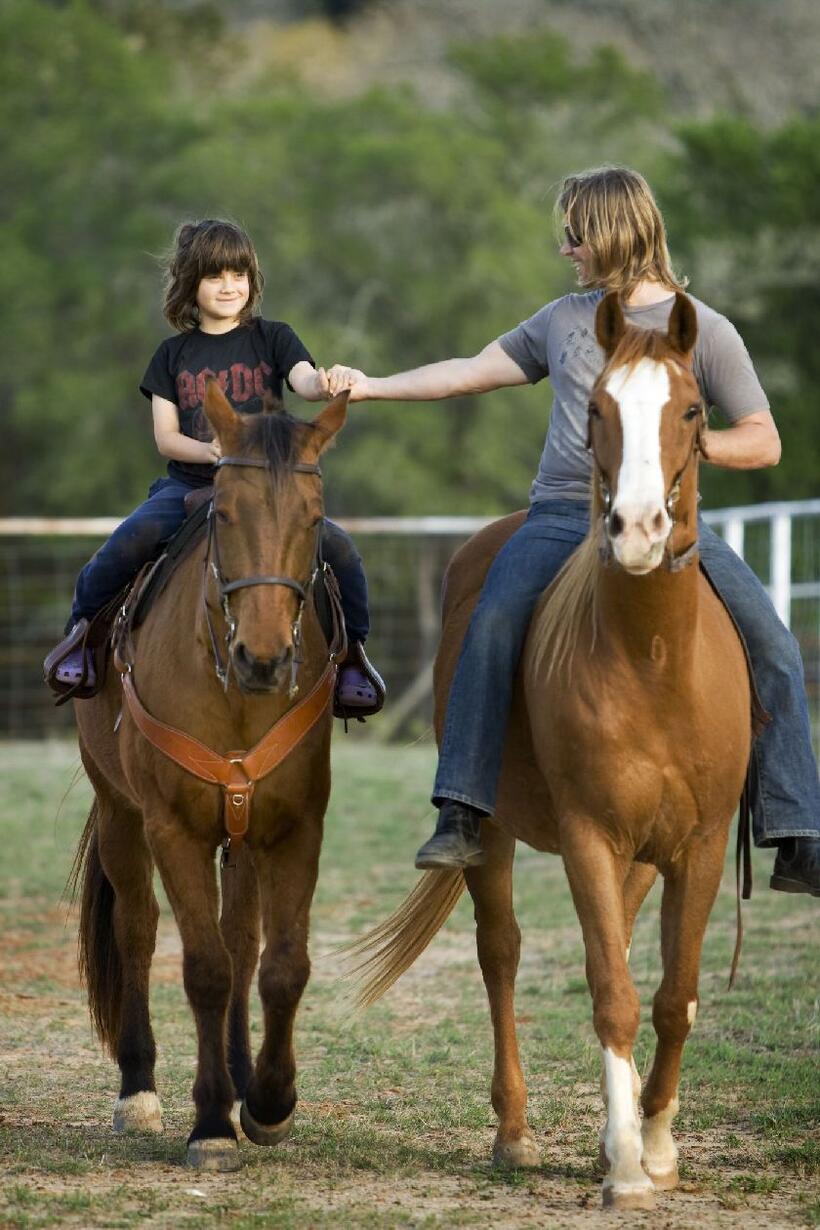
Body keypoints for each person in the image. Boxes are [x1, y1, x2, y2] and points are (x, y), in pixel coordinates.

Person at [327, 165, 820, 896]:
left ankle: (796, 830)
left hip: (672, 520)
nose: (568, 251)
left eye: (576, 235)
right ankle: (461, 808)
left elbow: (764, 439)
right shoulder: (561, 320)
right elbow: (468, 371)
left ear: (614, 232)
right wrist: (372, 385)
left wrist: (688, 449)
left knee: (774, 643)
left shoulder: (702, 329)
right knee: (492, 621)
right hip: (564, 512)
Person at [46, 218, 384, 717]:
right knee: (127, 542)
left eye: (239, 274)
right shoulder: (171, 355)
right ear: (190, 285)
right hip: (189, 487)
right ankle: (81, 638)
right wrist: (212, 452)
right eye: (215, 276)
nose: (230, 286)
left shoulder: (274, 338)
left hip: (265, 494)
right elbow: (165, 436)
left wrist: (331, 379)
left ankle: (353, 657)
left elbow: (306, 381)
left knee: (343, 552)